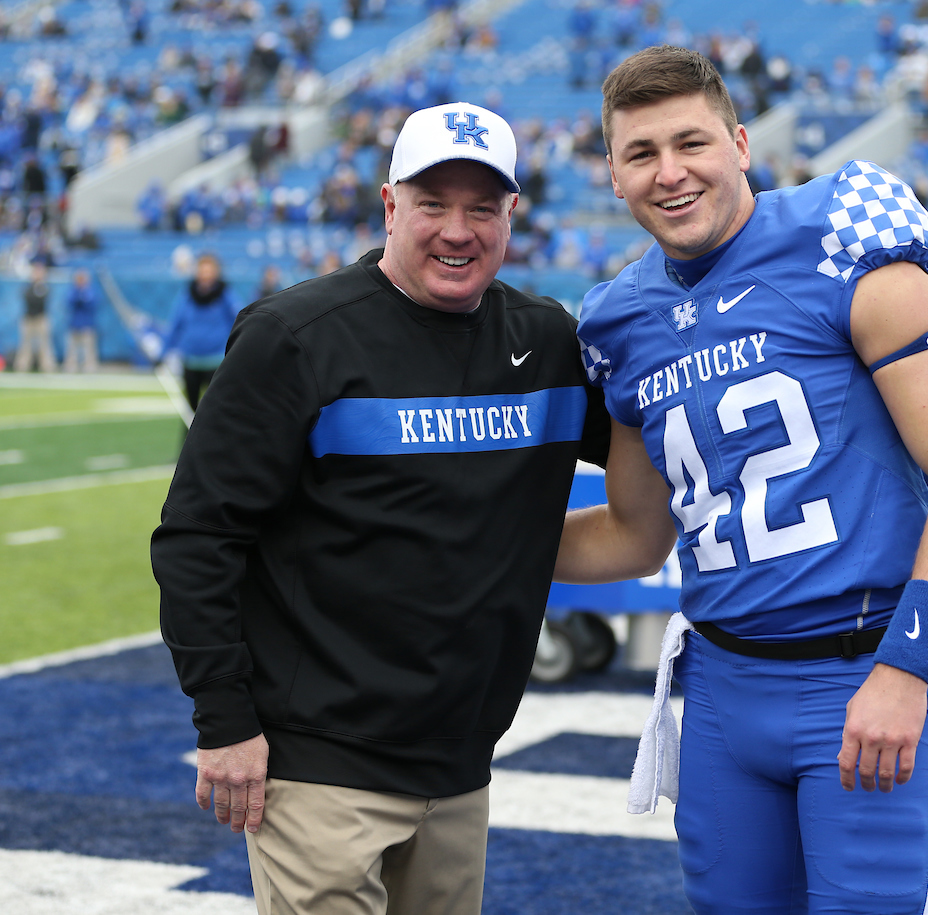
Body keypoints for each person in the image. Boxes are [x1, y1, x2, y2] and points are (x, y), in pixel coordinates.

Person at [556, 47, 928, 914]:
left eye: (691, 143)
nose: (670, 171)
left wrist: (907, 667)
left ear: (741, 144)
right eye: (641, 153)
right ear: (612, 174)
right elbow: (635, 534)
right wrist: (471, 552)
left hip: (859, 667)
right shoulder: (617, 320)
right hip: (722, 689)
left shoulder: (840, 240)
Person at [150, 101, 609, 915]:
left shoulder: (546, 344)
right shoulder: (297, 336)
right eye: (433, 203)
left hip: (463, 761)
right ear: (390, 206)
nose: (457, 230)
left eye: (482, 207)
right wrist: (222, 720)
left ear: (513, 216)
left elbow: (663, 442)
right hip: (319, 764)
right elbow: (198, 534)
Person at [160, 252, 242, 411]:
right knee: (190, 411)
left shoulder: (225, 295)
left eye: (209, 270)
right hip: (191, 360)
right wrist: (162, 353)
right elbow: (175, 324)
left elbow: (239, 320)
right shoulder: (187, 295)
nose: (205, 275)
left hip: (216, 361)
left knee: (217, 409)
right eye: (202, 270)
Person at [15, 259, 56, 372]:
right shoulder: (28, 287)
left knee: (45, 344)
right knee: (25, 344)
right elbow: (29, 299)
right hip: (28, 318)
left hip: (41, 318)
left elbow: (41, 301)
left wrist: (38, 287)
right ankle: (22, 366)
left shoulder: (44, 287)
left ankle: (47, 367)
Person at [63, 269, 99, 373]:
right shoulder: (73, 290)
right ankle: (70, 368)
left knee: (89, 350)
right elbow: (69, 302)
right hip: (74, 324)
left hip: (87, 324)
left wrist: (83, 295)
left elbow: (92, 304)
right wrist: (79, 294)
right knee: (71, 350)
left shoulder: (91, 290)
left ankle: (90, 369)